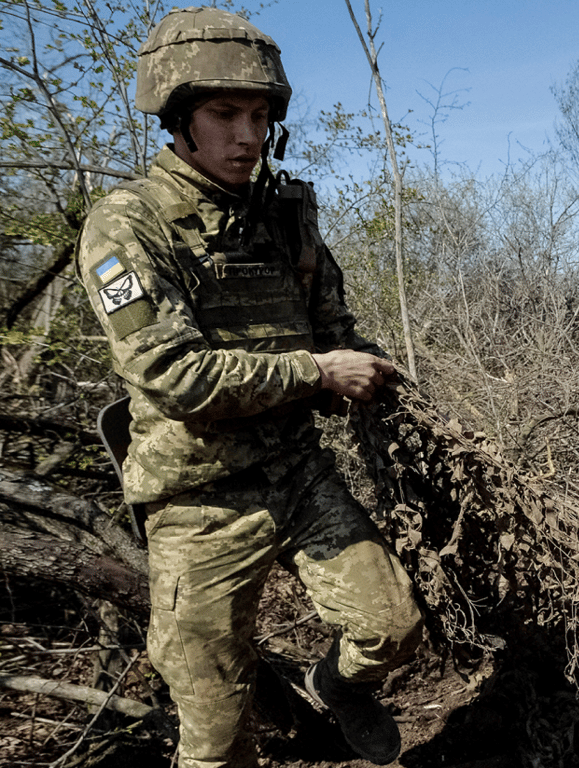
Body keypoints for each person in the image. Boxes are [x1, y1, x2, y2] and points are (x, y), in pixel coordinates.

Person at [77, 8, 423, 767]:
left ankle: (335, 685)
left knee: (391, 629)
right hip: (198, 497)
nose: (247, 136)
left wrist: (370, 370)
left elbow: (335, 330)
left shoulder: (286, 216)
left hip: (294, 470)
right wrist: (316, 372)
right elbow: (172, 375)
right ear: (179, 121)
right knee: (214, 733)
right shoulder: (128, 226)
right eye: (224, 114)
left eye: (260, 116)